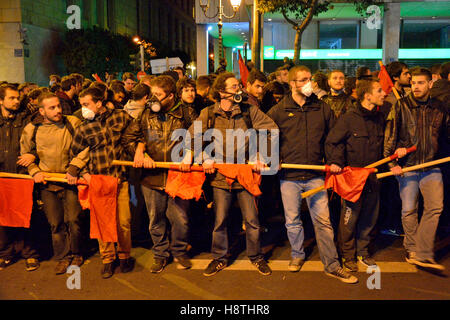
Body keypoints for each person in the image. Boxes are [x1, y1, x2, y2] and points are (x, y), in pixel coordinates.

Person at [267, 66, 357, 284]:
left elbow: (333, 138)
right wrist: (273, 157)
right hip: (289, 177)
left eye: (310, 79)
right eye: (303, 80)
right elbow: (266, 138)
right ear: (292, 84)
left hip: (316, 175)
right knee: (293, 221)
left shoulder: (322, 108)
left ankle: (332, 265)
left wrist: (335, 161)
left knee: (323, 221)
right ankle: (297, 255)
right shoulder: (278, 111)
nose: (309, 84)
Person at [185, 72, 277, 277]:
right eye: (235, 87)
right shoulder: (208, 114)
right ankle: (219, 258)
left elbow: (272, 129)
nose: (240, 90)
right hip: (219, 178)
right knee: (220, 220)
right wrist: (203, 156)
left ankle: (256, 257)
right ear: (222, 91)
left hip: (245, 176)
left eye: (239, 86)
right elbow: (191, 137)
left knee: (252, 220)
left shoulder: (249, 111)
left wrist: (262, 153)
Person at [123, 75, 197, 273]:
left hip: (177, 177)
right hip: (151, 178)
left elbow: (200, 136)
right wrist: (141, 153)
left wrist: (189, 154)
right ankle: (160, 254)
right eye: (151, 94)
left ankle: (180, 251)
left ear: (171, 96)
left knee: (180, 219)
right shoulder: (145, 114)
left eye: (158, 95)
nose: (152, 99)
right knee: (155, 219)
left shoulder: (187, 113)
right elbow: (129, 138)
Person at [384, 67, 448, 272]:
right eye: (413, 83)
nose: (416, 87)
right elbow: (390, 137)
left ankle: (422, 252)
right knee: (409, 210)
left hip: (431, 165)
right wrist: (392, 163)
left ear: (430, 84)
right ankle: (412, 249)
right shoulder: (401, 106)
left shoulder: (440, 107)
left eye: (421, 83)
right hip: (408, 167)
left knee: (435, 208)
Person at [68, 87, 135, 279]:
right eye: (81, 105)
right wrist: (86, 174)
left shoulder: (121, 117)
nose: (83, 109)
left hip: (119, 179)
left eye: (86, 104)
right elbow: (75, 154)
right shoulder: (83, 128)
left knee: (124, 222)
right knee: (102, 222)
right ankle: (107, 259)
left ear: (99, 103)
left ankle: (124, 256)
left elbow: (134, 135)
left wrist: (139, 150)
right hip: (98, 181)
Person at [20, 92, 87, 275]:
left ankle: (77, 253)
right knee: (56, 223)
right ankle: (63, 257)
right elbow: (25, 155)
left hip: (70, 180)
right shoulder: (31, 129)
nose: (58, 110)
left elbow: (86, 146)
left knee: (74, 219)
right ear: (42, 111)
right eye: (52, 108)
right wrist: (35, 172)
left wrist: (75, 167)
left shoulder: (72, 123)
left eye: (58, 106)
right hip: (48, 184)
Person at [325, 78, 387, 272]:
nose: (384, 93)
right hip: (353, 180)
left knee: (370, 218)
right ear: (367, 96)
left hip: (372, 178)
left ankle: (363, 252)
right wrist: (336, 162)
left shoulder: (379, 117)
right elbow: (333, 142)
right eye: (379, 91)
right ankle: (348, 256)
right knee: (349, 220)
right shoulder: (349, 118)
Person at [0, 84, 40, 272]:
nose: (16, 101)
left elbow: (39, 140)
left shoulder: (26, 119)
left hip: (21, 175)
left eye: (17, 97)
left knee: (25, 215)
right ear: (1, 100)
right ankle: (6, 253)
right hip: (2, 176)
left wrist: (33, 153)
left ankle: (29, 254)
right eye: (11, 98)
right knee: (3, 216)